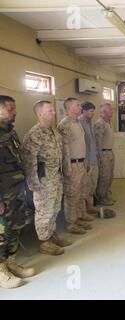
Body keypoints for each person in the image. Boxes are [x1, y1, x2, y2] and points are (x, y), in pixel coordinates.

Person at [22, 101, 72, 255]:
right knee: (44, 211)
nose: (54, 113)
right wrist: (33, 182)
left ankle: (51, 235)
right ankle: (44, 242)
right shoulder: (34, 134)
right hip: (43, 181)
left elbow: (61, 152)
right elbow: (29, 160)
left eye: (53, 110)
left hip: (56, 176)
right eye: (50, 110)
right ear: (40, 114)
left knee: (55, 208)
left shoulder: (54, 131)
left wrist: (66, 169)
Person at [0, 95, 35, 289]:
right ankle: (1, 271)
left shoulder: (11, 133)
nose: (15, 112)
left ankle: (11, 262)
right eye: (10, 109)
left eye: (14, 108)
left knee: (16, 227)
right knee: (1, 233)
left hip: (17, 192)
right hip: (2, 196)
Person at [58, 97, 93, 235]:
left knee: (81, 191)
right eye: (78, 105)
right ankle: (72, 223)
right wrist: (67, 167)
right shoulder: (64, 125)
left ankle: (80, 215)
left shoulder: (77, 122)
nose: (80, 108)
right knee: (71, 194)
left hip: (81, 163)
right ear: (69, 108)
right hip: (72, 165)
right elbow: (64, 149)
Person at [79, 102, 100, 216]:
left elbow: (92, 142)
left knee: (92, 185)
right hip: (86, 162)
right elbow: (82, 145)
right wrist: (85, 161)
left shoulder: (89, 122)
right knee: (85, 187)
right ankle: (83, 211)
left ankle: (90, 207)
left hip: (93, 160)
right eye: (91, 111)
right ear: (84, 111)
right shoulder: (80, 123)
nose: (93, 113)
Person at [95, 103, 116, 208]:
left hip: (110, 152)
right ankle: (101, 198)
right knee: (104, 177)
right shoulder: (100, 123)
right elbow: (98, 142)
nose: (112, 112)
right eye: (110, 110)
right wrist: (99, 158)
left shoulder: (109, 122)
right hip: (103, 154)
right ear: (103, 112)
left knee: (110, 176)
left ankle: (106, 195)